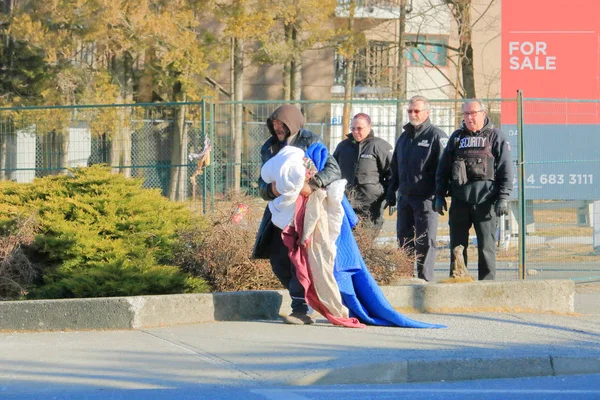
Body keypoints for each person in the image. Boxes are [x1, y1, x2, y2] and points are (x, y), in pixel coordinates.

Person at [252, 104, 341, 325]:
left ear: (292, 123)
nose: (277, 128)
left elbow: (333, 170)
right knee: (278, 260)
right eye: (274, 124)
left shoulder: (312, 142)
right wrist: (269, 190)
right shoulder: (269, 148)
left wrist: (313, 184)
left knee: (298, 260)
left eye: (281, 124)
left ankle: (302, 308)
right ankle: (303, 300)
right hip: (279, 212)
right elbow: (263, 182)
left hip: (304, 212)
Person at [434, 98, 513, 280]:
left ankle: (486, 287)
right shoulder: (456, 137)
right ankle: (458, 279)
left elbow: (505, 169)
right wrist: (439, 195)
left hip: (486, 201)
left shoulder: (495, 136)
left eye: (473, 113)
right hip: (460, 200)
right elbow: (443, 169)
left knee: (486, 246)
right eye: (466, 113)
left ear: (483, 114)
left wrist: (503, 197)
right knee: (457, 245)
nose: (469, 117)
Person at [386, 96, 448, 282]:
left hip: (426, 199)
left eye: (417, 111)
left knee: (425, 241)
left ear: (427, 113)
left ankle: (425, 281)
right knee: (404, 241)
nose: (412, 114)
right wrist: (392, 189)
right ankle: (406, 279)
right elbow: (395, 165)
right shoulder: (404, 137)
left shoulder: (436, 136)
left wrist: (440, 194)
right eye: (410, 111)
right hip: (405, 197)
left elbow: (444, 168)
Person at [333, 113, 392, 230]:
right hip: (346, 204)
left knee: (366, 242)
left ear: (369, 127)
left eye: (359, 128)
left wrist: (389, 196)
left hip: (371, 205)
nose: (355, 132)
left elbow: (392, 173)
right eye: (353, 128)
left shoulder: (379, 146)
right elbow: (333, 170)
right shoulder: (343, 147)